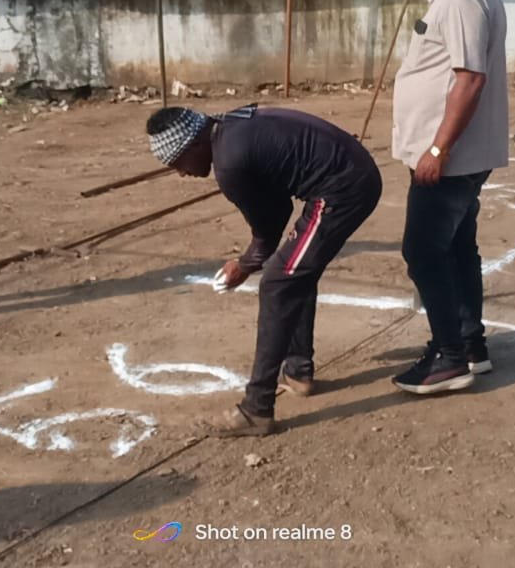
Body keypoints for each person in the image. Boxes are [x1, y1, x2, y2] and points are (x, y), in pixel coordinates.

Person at [146, 105, 382, 436]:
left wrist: (245, 264)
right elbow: (279, 209)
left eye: (178, 163)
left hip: (342, 189)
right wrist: (254, 258)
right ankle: (298, 371)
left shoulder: (229, 163)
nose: (182, 173)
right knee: (293, 270)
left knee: (278, 284)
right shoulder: (228, 129)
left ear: (195, 144)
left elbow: (268, 226)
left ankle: (256, 409)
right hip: (348, 174)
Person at [388, 0, 508, 394]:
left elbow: (470, 78)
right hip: (452, 153)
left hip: (450, 157)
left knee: (423, 251)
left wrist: (438, 149)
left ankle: (449, 356)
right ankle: (470, 344)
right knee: (456, 248)